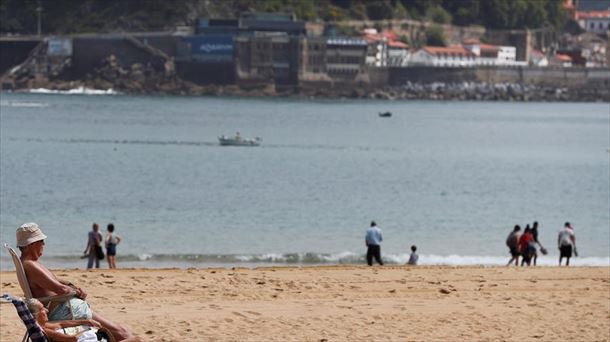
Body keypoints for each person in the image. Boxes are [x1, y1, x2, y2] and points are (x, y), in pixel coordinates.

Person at [16, 222, 137, 341]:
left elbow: (57, 281)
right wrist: (76, 292)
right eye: (41, 241)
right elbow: (61, 290)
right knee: (123, 333)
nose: (44, 244)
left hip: (64, 307)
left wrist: (72, 286)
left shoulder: (30, 263)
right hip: (65, 311)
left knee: (120, 331)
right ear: (30, 245)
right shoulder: (30, 265)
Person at [25, 298, 143, 342]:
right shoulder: (46, 331)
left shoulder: (44, 326)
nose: (46, 310)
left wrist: (85, 322)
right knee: (139, 340)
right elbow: (73, 339)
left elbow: (61, 324)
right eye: (42, 309)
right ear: (35, 315)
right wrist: (86, 331)